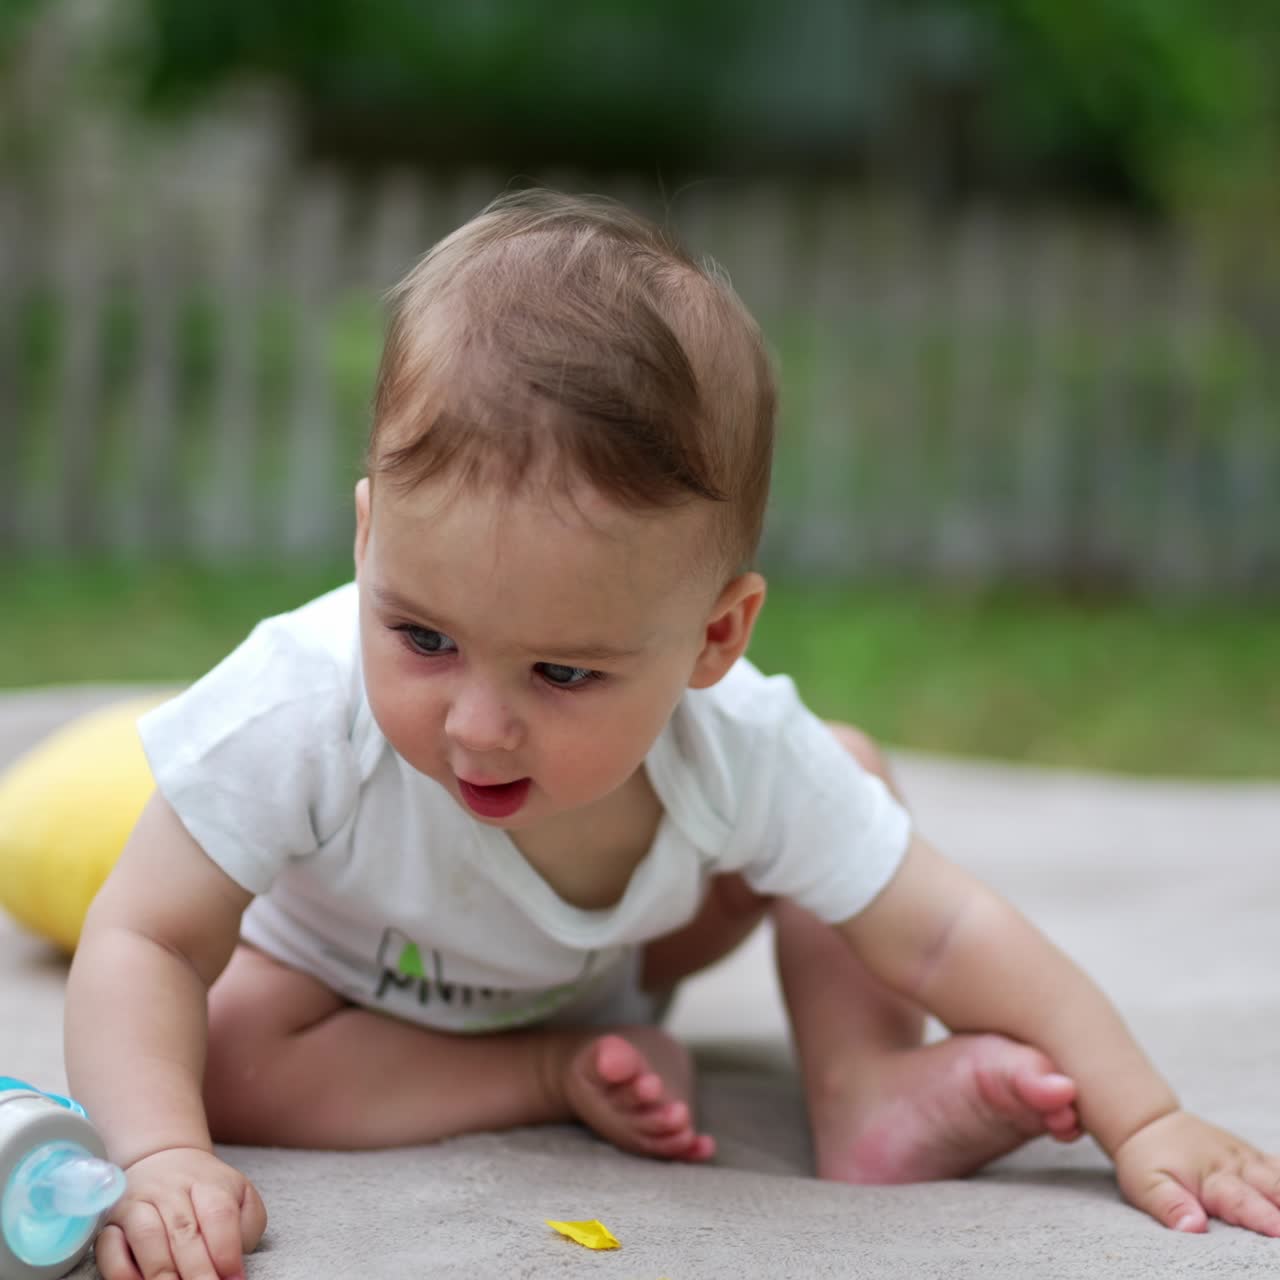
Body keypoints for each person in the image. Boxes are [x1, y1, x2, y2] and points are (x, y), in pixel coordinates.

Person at [65, 190, 1280, 1280]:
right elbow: (143, 938)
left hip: (610, 956)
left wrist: (1145, 1114)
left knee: (841, 773)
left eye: (561, 670)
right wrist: (163, 1152)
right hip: (339, 988)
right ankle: (541, 1071)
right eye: (422, 637)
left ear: (714, 637)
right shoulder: (300, 702)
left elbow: (948, 927)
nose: (476, 724)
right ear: (367, 538)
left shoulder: (728, 740)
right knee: (207, 1054)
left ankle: (858, 1089)